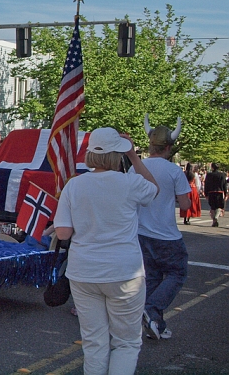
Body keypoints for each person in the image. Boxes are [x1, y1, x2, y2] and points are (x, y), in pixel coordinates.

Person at [55, 127, 158, 375]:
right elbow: (154, 189)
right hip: (124, 271)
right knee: (126, 342)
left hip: (83, 271)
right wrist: (134, 156)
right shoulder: (130, 183)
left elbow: (63, 233)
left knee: (93, 342)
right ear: (118, 155)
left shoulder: (74, 186)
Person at [136, 117, 191, 341]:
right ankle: (152, 310)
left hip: (141, 232)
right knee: (178, 273)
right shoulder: (174, 171)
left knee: (153, 278)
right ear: (168, 147)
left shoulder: (137, 167)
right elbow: (186, 204)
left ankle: (155, 323)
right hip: (166, 234)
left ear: (150, 146)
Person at [203, 162, 227, 227]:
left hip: (211, 192)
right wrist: (225, 193)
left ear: (212, 167)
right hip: (219, 192)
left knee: (212, 207)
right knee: (219, 206)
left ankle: (214, 220)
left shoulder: (209, 175)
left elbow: (206, 184)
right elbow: (224, 185)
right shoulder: (222, 175)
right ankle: (216, 217)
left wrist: (206, 193)